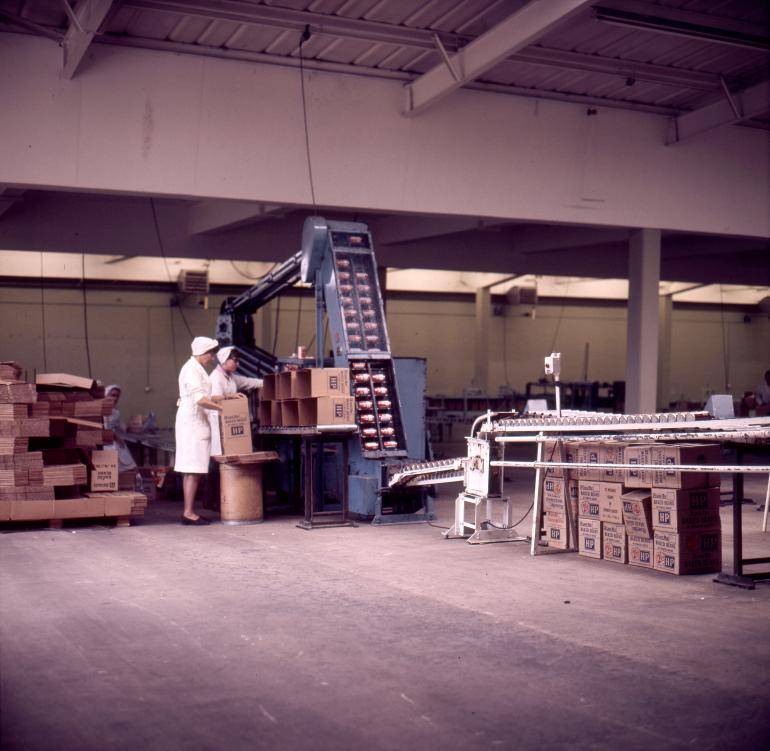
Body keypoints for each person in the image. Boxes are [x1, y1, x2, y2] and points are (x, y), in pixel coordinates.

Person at [174, 336, 223, 525]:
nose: (212, 358)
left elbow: (206, 396)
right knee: (193, 469)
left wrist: (225, 397)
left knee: (192, 469)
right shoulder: (191, 370)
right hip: (192, 423)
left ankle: (189, 511)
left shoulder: (196, 368)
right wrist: (223, 410)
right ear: (203, 353)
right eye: (210, 354)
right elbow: (200, 400)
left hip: (195, 422)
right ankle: (188, 512)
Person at [209, 346, 263, 456]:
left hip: (231, 421)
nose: (238, 364)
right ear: (224, 360)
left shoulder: (232, 377)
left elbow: (249, 382)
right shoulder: (216, 378)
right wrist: (231, 396)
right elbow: (215, 398)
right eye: (235, 361)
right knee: (221, 454)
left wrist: (270, 380)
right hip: (219, 423)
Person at [103, 384, 138, 473]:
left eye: (117, 396)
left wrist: (130, 428)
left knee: (127, 464)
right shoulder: (100, 410)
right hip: (103, 442)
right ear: (106, 395)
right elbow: (103, 427)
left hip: (114, 441)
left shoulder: (115, 412)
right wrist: (115, 437)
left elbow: (119, 425)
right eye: (112, 395)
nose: (115, 398)